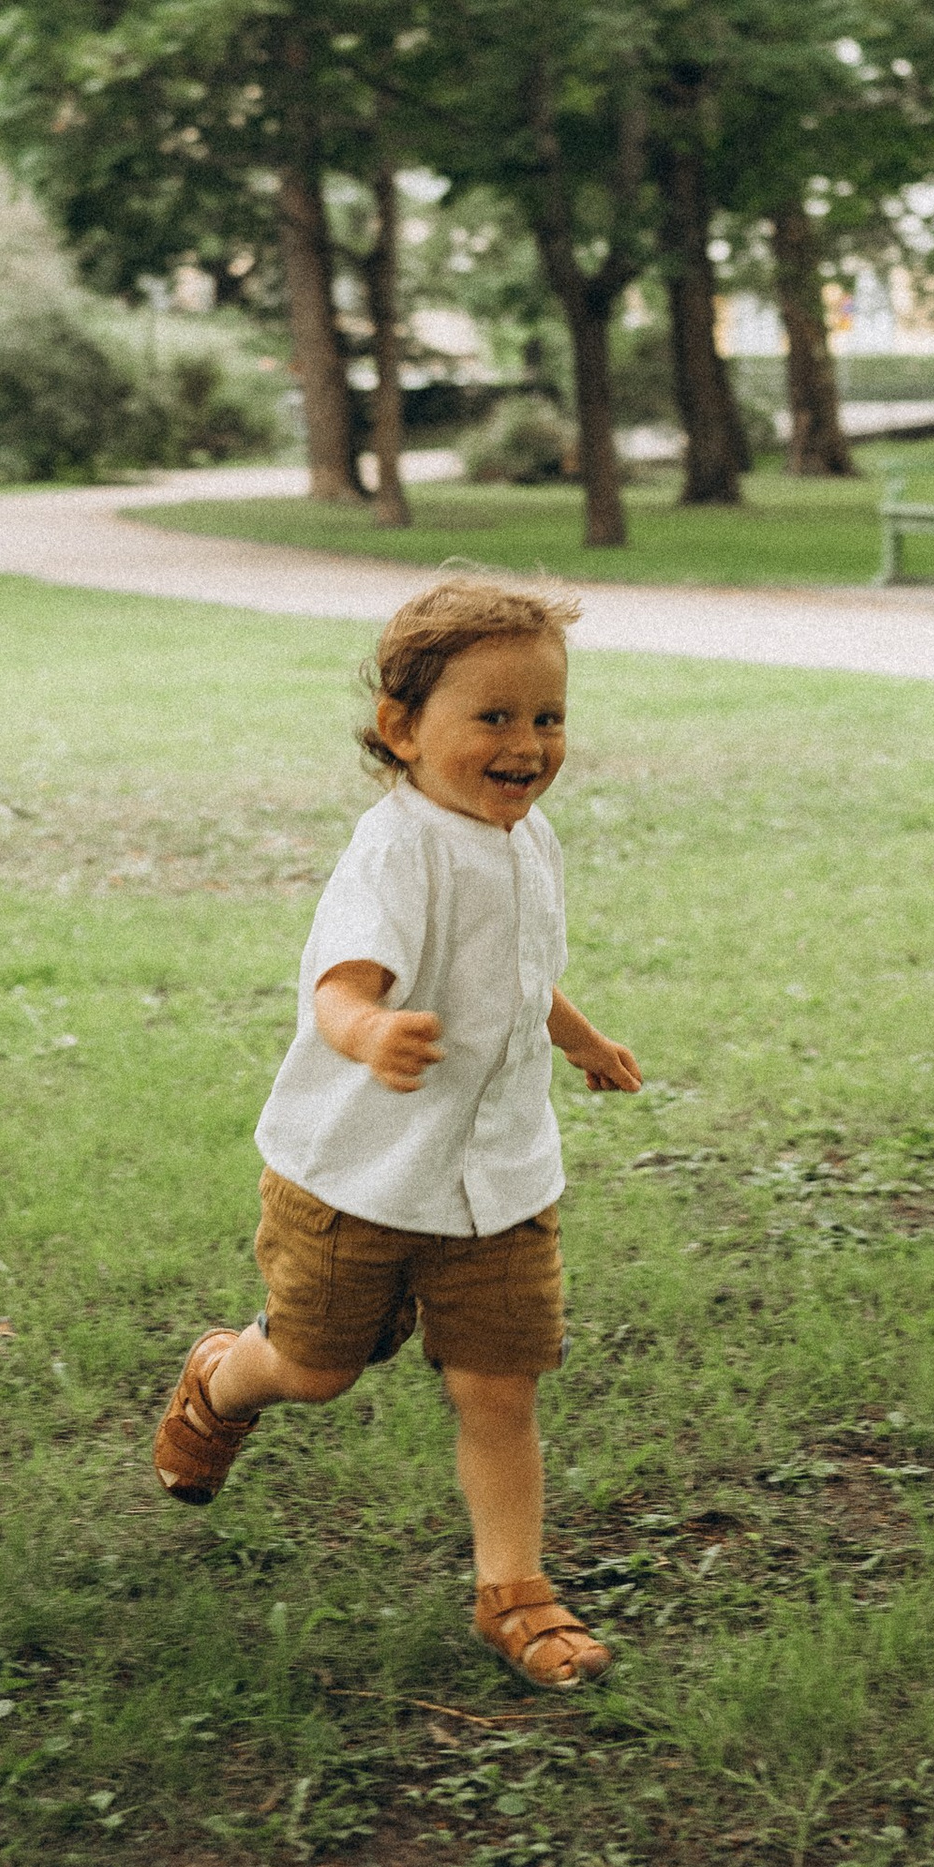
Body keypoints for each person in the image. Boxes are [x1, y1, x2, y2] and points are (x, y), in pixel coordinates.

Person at [150, 573, 642, 1689]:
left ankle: (512, 1592)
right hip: (359, 1179)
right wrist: (367, 1032)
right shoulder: (397, 850)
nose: (528, 743)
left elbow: (522, 974)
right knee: (315, 1373)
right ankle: (224, 1375)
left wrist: (580, 1038)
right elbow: (336, 989)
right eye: (495, 717)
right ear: (402, 729)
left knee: (497, 1385)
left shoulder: (530, 841)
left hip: (501, 1180)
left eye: (548, 717)